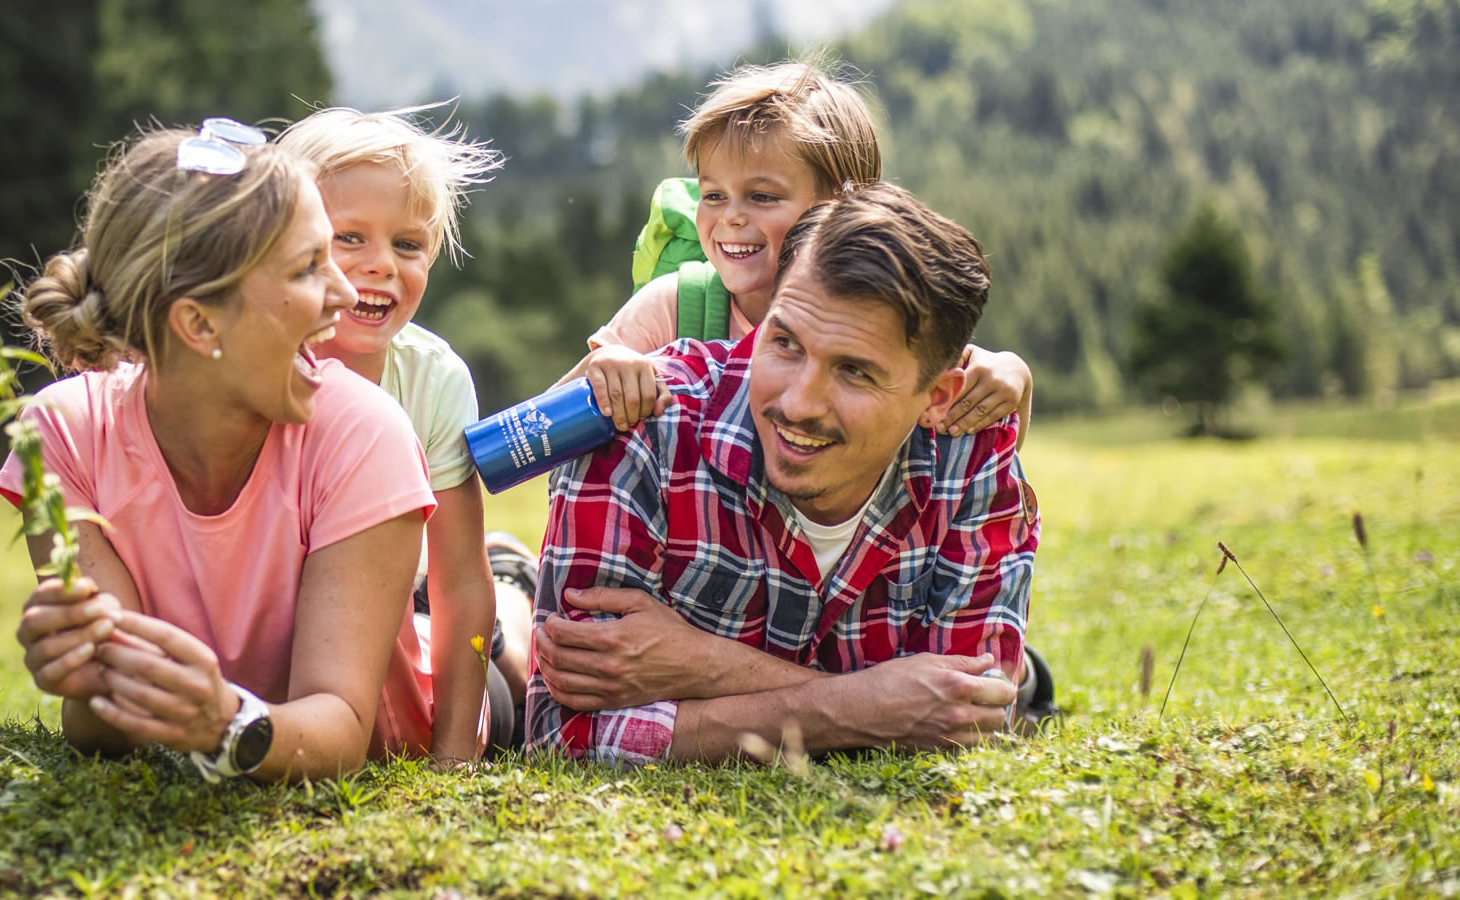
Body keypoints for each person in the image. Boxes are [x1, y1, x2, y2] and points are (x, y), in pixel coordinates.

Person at [527, 182, 1055, 762]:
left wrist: (704, 665)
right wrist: (869, 706)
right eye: (784, 343)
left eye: (854, 372)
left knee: (1015, 685)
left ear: (937, 396)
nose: (800, 402)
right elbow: (563, 736)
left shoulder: (971, 449)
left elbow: (965, 718)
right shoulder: (640, 425)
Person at [0, 122, 445, 782]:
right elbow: (110, 715)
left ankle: (509, 596)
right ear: (199, 324)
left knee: (505, 671)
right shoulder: (64, 437)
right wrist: (88, 680)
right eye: (307, 268)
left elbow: (343, 730)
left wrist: (224, 722)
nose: (345, 294)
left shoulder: (366, 432)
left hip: (409, 711)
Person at [561, 60, 1034, 440]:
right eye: (713, 195)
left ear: (842, 205)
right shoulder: (671, 307)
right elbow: (531, 433)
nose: (730, 217)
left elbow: (983, 455)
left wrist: (1014, 377)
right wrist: (603, 373)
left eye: (762, 196)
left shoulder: (883, 318)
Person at [276, 106, 536, 760]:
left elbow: (458, 582)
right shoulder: (256, 367)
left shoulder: (433, 379)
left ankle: (517, 590)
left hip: (412, 613)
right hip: (347, 614)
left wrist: (454, 755)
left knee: (509, 692)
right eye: (349, 238)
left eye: (408, 245)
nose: (381, 265)